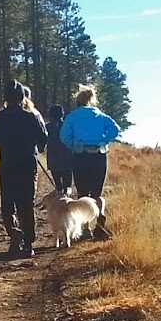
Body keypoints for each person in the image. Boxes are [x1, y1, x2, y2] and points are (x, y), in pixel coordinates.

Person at [0, 80, 48, 257]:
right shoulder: (31, 116)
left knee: (8, 205)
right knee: (26, 205)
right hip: (27, 166)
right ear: (22, 97)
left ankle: (14, 232)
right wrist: (36, 147)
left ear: (6, 99)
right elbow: (43, 138)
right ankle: (28, 244)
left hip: (7, 166)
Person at [59, 84, 122, 240]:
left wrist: (73, 144)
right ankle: (100, 222)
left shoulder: (72, 117)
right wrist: (103, 141)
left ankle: (85, 227)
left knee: (82, 193)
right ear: (92, 100)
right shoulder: (101, 116)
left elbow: (63, 136)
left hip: (80, 155)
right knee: (97, 193)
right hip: (99, 155)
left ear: (78, 100)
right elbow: (116, 130)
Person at [45, 104, 73, 193]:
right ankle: (66, 197)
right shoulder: (68, 126)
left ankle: (59, 195)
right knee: (67, 185)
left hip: (53, 161)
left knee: (58, 185)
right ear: (62, 114)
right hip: (67, 160)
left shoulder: (47, 127)